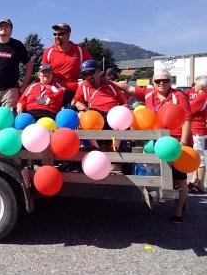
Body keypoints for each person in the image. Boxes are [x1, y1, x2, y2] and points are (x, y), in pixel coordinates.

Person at [114, 69, 191, 223]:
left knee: (179, 179)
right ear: (153, 82)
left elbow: (187, 119)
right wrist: (109, 82)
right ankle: (156, 193)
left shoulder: (179, 97)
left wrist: (182, 142)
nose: (161, 83)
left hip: (174, 141)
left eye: (165, 80)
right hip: (155, 140)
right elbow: (128, 88)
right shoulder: (149, 93)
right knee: (154, 171)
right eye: (157, 81)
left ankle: (178, 212)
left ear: (170, 82)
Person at [73, 60, 127, 151]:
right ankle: (96, 148)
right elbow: (74, 101)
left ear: (98, 71)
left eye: (91, 72)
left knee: (123, 115)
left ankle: (115, 148)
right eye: (85, 75)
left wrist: (122, 110)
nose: (88, 77)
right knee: (81, 115)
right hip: (95, 115)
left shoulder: (110, 85)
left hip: (112, 114)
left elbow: (125, 102)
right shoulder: (83, 86)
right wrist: (78, 104)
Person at [0, 18, 33, 109]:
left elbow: (29, 65)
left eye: (6, 26)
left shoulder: (17, 45)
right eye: (1, 25)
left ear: (11, 30)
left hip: (10, 91)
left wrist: (24, 86)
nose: (3, 27)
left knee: (8, 119)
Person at [41, 23, 92, 107]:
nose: (56, 37)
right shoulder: (48, 51)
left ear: (68, 34)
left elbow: (91, 69)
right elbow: (43, 75)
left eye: (60, 34)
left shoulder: (80, 50)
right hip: (54, 91)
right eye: (54, 34)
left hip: (74, 93)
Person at [188, 75, 207, 194]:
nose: (193, 87)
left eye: (195, 84)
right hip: (199, 129)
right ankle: (195, 180)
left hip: (197, 129)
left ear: (200, 86)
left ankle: (200, 184)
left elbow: (188, 109)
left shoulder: (201, 97)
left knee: (199, 157)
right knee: (197, 155)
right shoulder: (204, 96)